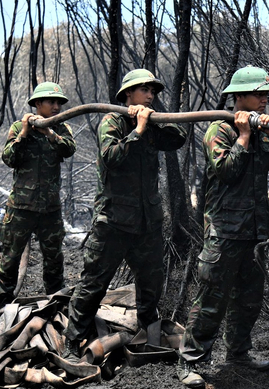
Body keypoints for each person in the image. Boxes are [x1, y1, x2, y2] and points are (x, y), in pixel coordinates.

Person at [178, 65, 269, 389]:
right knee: (211, 299)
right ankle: (191, 361)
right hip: (224, 232)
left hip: (255, 232)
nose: (263, 101)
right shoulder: (219, 130)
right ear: (238, 96)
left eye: (266, 95)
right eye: (258, 95)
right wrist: (244, 136)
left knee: (249, 300)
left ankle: (238, 353)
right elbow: (228, 171)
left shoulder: (263, 129)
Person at [63, 68, 187, 358]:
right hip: (114, 223)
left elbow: (178, 137)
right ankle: (74, 340)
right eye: (144, 90)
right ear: (128, 94)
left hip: (147, 222)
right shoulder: (112, 122)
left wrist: (151, 122)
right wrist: (137, 131)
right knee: (94, 282)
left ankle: (148, 332)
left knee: (151, 281)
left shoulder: (152, 122)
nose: (150, 95)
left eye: (152, 90)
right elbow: (111, 157)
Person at [0, 82, 76, 308]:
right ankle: (4, 306)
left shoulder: (60, 129)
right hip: (21, 208)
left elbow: (69, 149)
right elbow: (9, 158)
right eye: (51, 102)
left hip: (50, 210)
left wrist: (49, 133)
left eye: (58, 102)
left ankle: (55, 304)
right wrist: (24, 132)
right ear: (37, 104)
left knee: (54, 260)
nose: (56, 106)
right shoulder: (18, 127)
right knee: (10, 258)